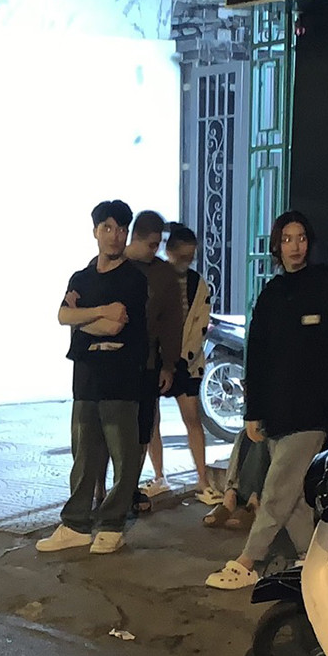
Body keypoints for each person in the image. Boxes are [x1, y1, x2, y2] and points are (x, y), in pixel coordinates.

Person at [206, 211, 328, 589]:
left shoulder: (326, 286)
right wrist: (254, 412)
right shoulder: (271, 295)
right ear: (277, 246)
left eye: (301, 238)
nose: (295, 247)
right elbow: (259, 357)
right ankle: (311, 557)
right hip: (277, 411)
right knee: (293, 495)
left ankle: (249, 560)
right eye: (287, 239)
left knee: (278, 489)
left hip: (312, 411)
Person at [38, 200, 151, 556]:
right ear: (95, 232)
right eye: (108, 228)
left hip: (122, 377)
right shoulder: (81, 277)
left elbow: (117, 326)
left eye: (121, 229)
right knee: (84, 454)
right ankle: (75, 524)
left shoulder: (134, 279)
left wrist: (81, 317)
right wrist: (101, 312)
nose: (115, 236)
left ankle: (112, 524)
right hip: (86, 377)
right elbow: (62, 316)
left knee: (123, 456)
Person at [122, 210, 187, 506]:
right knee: (109, 430)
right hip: (114, 363)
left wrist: (169, 365)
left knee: (142, 429)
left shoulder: (163, 274)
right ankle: (103, 492)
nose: (155, 250)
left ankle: (129, 488)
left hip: (148, 362)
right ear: (135, 237)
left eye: (158, 244)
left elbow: (172, 323)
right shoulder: (113, 264)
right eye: (151, 244)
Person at [148, 223, 216, 500]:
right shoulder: (155, 278)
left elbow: (200, 323)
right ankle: (159, 476)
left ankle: (202, 479)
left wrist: (181, 357)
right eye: (182, 256)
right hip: (156, 358)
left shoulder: (197, 283)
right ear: (170, 251)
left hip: (187, 362)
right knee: (151, 419)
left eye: (191, 257)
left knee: (192, 418)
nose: (187, 262)